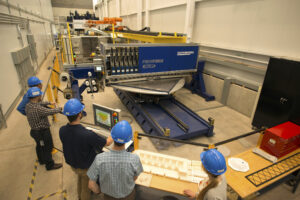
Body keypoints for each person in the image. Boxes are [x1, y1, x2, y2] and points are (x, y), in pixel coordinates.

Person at [59, 98, 113, 200]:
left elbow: (73, 139)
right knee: (86, 188)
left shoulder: (62, 130)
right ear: (80, 114)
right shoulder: (87, 135)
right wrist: (114, 134)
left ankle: (79, 196)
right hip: (85, 168)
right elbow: (107, 142)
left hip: (73, 164)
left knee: (80, 179)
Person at [87, 120, 143, 200]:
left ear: (112, 137)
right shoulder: (134, 159)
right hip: (127, 196)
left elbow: (91, 185)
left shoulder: (99, 158)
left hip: (108, 196)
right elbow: (135, 177)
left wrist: (99, 192)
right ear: (128, 140)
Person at [25, 87, 63, 170]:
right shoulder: (38, 109)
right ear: (36, 96)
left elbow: (40, 104)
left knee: (39, 146)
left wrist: (49, 102)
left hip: (34, 131)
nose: (40, 96)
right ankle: (50, 165)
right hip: (42, 132)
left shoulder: (28, 105)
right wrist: (60, 109)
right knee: (47, 148)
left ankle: (42, 160)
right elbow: (50, 112)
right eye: (39, 95)